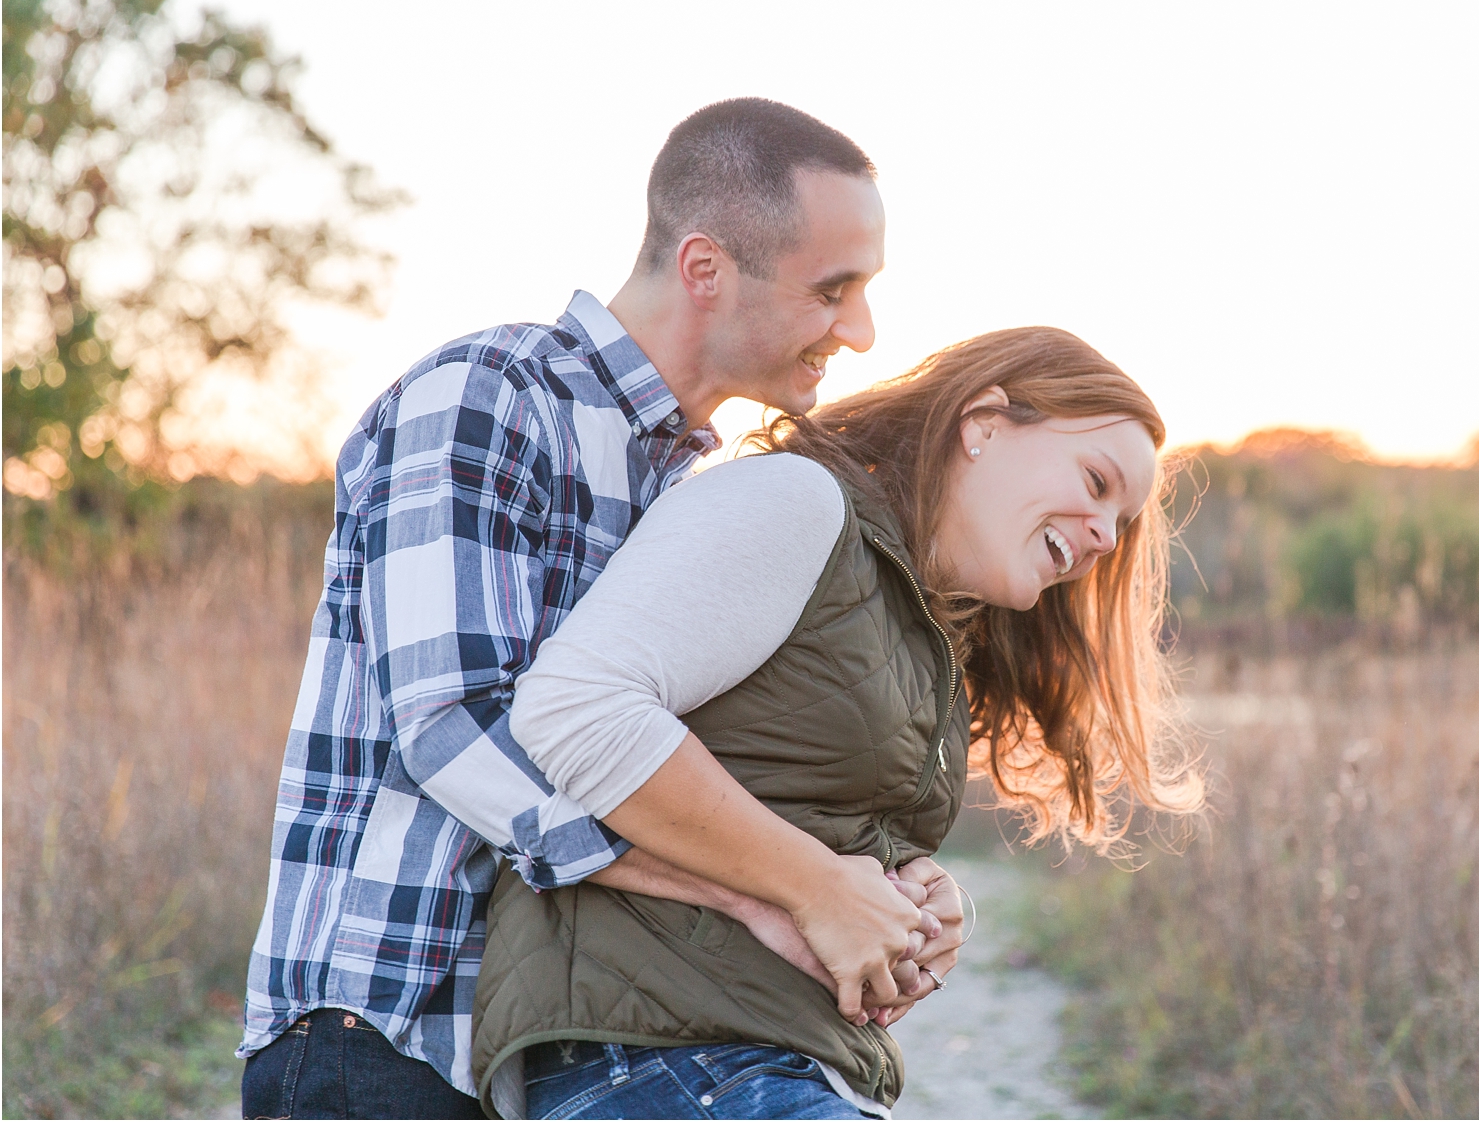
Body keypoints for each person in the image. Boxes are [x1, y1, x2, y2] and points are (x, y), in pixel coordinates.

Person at [239, 98, 961, 1120]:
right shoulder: (486, 397)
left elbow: (696, 764)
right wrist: (776, 892)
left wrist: (888, 881)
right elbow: (456, 728)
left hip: (552, 1048)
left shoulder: (700, 492)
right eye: (830, 291)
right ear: (705, 269)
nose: (860, 330)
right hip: (391, 1030)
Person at [470, 327, 1207, 1119]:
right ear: (985, 422)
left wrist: (916, 901)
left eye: (1120, 523)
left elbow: (781, 791)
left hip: (751, 1061)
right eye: (1096, 481)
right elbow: (574, 706)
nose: (1104, 535)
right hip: (660, 1058)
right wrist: (816, 884)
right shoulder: (799, 501)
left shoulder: (925, 628)